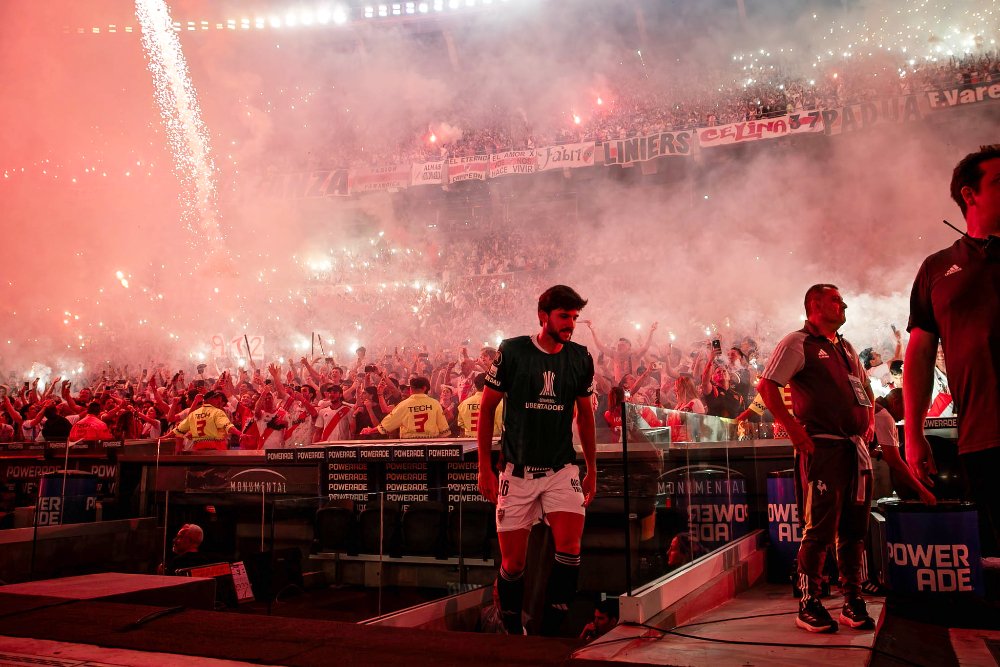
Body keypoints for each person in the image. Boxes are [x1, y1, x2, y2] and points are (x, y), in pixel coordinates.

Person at [476, 284, 597, 636]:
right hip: (516, 471)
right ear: (543, 316)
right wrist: (484, 467)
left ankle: (554, 630)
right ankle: (513, 630)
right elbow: (486, 411)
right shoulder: (513, 351)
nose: (570, 324)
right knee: (513, 565)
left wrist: (591, 469)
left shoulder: (580, 357)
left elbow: (586, 417)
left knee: (570, 548)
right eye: (564, 317)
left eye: (575, 317)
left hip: (562, 469)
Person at [759, 284, 876, 634]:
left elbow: (864, 389)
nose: (843, 304)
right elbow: (767, 387)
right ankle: (809, 602)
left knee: (854, 528)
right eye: (836, 300)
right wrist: (793, 429)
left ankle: (852, 599)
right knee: (820, 527)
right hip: (822, 448)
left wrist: (867, 421)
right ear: (815, 304)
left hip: (854, 450)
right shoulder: (797, 342)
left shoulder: (847, 347)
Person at [905, 145, 1000, 556]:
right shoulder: (936, 269)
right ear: (969, 194)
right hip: (983, 436)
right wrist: (913, 434)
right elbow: (920, 355)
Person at [871, 388, 936, 504]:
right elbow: (895, 462)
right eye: (907, 409)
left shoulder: (875, 408)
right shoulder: (884, 416)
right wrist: (923, 491)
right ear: (896, 402)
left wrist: (880, 454)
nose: (906, 416)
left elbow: (863, 444)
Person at [359, 376, 449, 439]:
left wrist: (371, 430)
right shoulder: (435, 404)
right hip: (430, 444)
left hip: (409, 445)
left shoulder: (403, 405)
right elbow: (444, 431)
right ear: (425, 388)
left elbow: (388, 424)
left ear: (411, 389)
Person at [167, 391, 242, 452]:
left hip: (203, 448)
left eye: (219, 399)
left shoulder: (219, 412)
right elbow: (173, 420)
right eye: (216, 398)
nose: (218, 400)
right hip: (203, 448)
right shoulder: (192, 412)